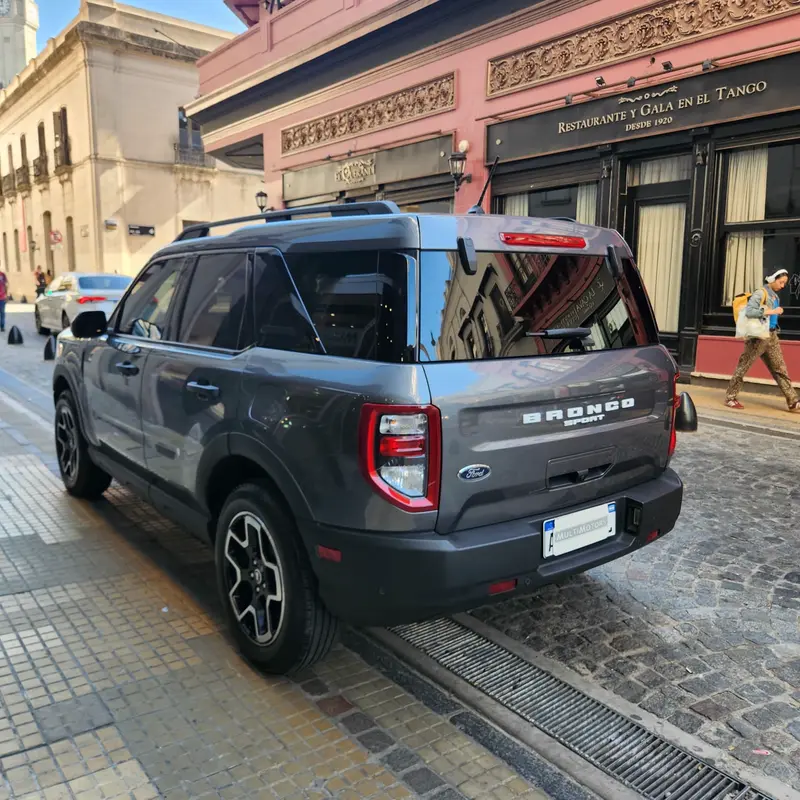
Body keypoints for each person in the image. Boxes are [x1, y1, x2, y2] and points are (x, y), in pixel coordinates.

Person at [726, 268, 799, 412]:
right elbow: (750, 311)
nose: (782, 286)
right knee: (744, 366)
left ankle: (793, 401)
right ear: (772, 279)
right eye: (781, 282)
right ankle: (730, 397)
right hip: (758, 337)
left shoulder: (774, 296)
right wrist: (772, 311)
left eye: (784, 283)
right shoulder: (760, 293)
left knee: (780, 368)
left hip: (771, 336)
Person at [0, 266, 8, 333]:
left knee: (2, 313)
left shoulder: (3, 275)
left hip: (2, 298)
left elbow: (6, 285)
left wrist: (6, 295)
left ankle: (2, 326)